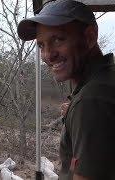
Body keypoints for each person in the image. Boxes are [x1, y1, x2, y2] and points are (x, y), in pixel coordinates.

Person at [17, 0, 115, 179]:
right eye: (41, 45)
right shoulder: (103, 82)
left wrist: (83, 107)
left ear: (90, 37)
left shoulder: (92, 100)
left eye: (58, 39)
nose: (48, 55)